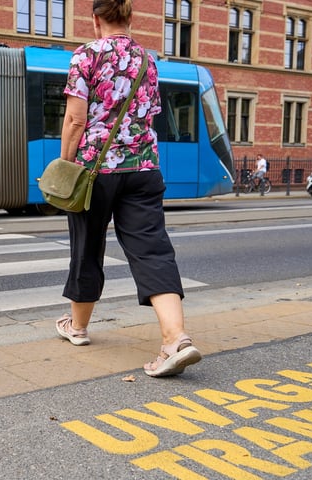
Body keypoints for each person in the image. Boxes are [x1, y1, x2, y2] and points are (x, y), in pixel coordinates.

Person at [54, 0, 201, 378]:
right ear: (131, 18)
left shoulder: (85, 55)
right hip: (144, 168)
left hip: (95, 170)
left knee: (87, 246)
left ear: (95, 19)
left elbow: (75, 119)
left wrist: (66, 163)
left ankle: (79, 328)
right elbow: (148, 111)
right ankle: (176, 339)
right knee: (152, 248)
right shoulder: (149, 60)